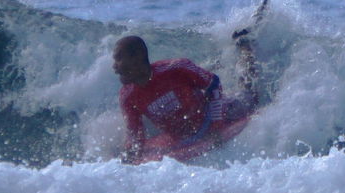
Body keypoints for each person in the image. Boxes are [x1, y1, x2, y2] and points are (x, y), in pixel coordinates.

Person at [112, 25, 262, 163]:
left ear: (137, 57)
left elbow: (214, 85)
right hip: (180, 138)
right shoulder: (127, 96)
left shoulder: (176, 68)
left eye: (118, 59)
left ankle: (245, 47)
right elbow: (135, 132)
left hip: (213, 116)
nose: (114, 67)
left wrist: (216, 126)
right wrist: (131, 153)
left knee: (251, 96)